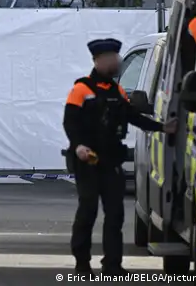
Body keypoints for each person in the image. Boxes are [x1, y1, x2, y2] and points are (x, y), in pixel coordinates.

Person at [64, 38, 177, 276]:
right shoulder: (81, 89)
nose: (116, 62)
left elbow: (133, 116)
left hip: (111, 161)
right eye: (112, 58)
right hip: (88, 161)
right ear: (98, 60)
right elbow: (70, 122)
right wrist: (78, 146)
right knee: (87, 212)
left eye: (116, 57)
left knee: (115, 215)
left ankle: (113, 265)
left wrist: (162, 128)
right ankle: (82, 264)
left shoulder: (117, 91)